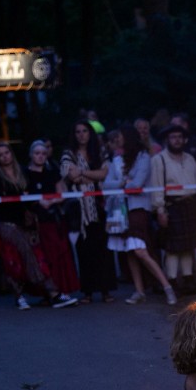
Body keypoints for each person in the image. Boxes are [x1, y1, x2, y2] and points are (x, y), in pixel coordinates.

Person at [0, 143, 78, 310]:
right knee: (14, 259)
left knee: (36, 256)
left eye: (7, 152)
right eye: (0, 154)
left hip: (25, 220)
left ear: (11, 153)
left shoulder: (22, 171)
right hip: (5, 222)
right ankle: (30, 295)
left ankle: (50, 294)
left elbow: (29, 196)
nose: (5, 156)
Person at [104, 124, 177, 305]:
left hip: (138, 210)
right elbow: (107, 185)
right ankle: (139, 290)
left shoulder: (143, 157)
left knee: (139, 250)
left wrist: (123, 184)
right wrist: (123, 182)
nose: (118, 140)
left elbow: (137, 185)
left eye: (121, 136)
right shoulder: (117, 160)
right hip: (121, 211)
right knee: (130, 252)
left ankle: (167, 287)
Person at [60, 121, 116, 303]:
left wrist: (84, 172)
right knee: (84, 251)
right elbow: (71, 175)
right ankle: (88, 292)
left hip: (100, 207)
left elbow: (105, 173)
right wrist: (90, 174)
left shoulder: (100, 151)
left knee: (104, 249)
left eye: (84, 131)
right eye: (78, 131)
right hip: (80, 210)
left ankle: (106, 290)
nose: (81, 134)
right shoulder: (69, 153)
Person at [150, 123, 196, 294]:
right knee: (172, 248)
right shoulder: (159, 160)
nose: (177, 140)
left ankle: (188, 280)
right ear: (167, 140)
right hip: (172, 205)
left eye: (180, 137)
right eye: (173, 137)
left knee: (187, 246)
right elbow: (156, 186)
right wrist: (160, 210)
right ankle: (172, 281)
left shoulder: (189, 158)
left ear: (184, 139)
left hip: (190, 205)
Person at [25, 140, 79, 295]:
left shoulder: (53, 172)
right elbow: (24, 194)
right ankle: (46, 292)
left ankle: (62, 289)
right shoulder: (25, 173)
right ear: (31, 155)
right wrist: (38, 201)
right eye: (37, 153)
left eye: (43, 153)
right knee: (41, 256)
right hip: (36, 221)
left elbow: (62, 193)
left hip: (53, 219)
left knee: (59, 253)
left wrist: (51, 201)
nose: (40, 156)